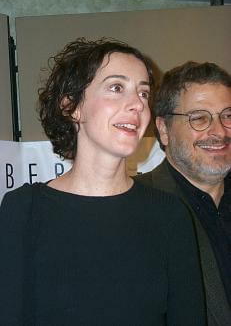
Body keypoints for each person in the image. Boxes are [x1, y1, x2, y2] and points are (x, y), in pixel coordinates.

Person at [0, 38, 205, 325]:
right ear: (72, 106)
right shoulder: (24, 211)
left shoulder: (169, 216)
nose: (137, 104)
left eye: (144, 93)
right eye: (116, 87)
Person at [136, 61, 231, 325]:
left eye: (228, 115)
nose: (220, 132)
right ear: (164, 130)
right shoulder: (134, 207)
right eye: (199, 118)